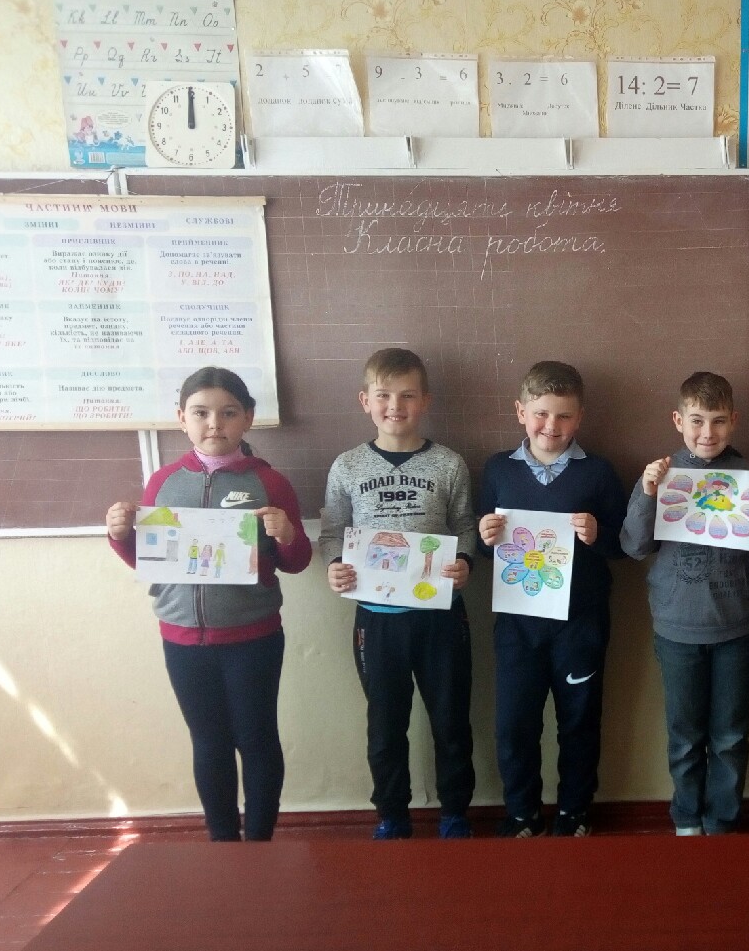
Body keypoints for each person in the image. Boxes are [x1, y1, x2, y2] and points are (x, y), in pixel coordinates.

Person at [106, 367, 312, 841]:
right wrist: (121, 536)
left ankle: (258, 842)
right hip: (182, 639)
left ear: (248, 418)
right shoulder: (163, 482)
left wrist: (287, 535)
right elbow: (153, 562)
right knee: (208, 742)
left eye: (228, 413)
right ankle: (221, 841)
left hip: (253, 638)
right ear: (181, 418)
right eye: (200, 413)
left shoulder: (270, 483)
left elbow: (297, 561)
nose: (214, 423)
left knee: (256, 739)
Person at [620, 371, 749, 835]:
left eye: (718, 421)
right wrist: (647, 492)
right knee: (684, 735)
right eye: (696, 420)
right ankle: (687, 820)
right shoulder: (661, 474)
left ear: (733, 420)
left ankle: (722, 823)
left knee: (731, 736)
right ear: (678, 420)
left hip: (738, 626)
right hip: (677, 628)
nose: (707, 432)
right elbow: (634, 545)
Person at [319, 348, 478, 840]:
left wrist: (465, 563)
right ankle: (392, 815)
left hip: (440, 616)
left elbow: (465, 526)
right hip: (376, 618)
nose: (395, 406)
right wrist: (335, 566)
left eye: (408, 395)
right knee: (385, 726)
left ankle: (455, 812)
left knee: (451, 722)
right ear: (365, 400)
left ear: (425, 401)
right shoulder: (347, 466)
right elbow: (332, 531)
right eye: (384, 395)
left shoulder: (449, 464)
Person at [477, 361, 627, 838]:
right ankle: (522, 813)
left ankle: (573, 812)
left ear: (579, 417)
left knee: (579, 721)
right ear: (521, 412)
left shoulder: (597, 472)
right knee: (514, 724)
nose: (551, 426)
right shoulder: (498, 469)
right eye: (540, 413)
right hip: (517, 623)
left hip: (580, 623)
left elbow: (624, 545)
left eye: (563, 416)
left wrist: (598, 534)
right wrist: (484, 536)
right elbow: (483, 545)